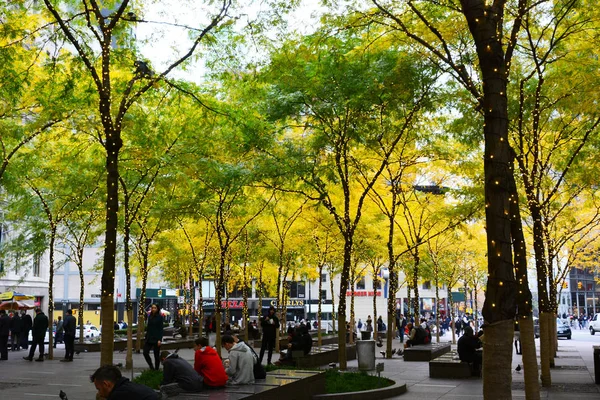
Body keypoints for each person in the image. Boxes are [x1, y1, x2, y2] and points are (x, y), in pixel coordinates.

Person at [91, 364, 158, 399]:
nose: (99, 394)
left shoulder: (118, 395)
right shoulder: (127, 386)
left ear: (106, 384)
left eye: (99, 389)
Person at [143, 304, 164, 370]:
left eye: (155, 308)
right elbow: (148, 327)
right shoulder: (150, 316)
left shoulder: (160, 317)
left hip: (156, 338)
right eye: (152, 308)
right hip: (149, 338)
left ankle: (156, 369)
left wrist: (159, 339)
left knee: (156, 355)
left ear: (157, 309)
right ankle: (151, 366)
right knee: (145, 352)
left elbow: (161, 329)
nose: (153, 309)